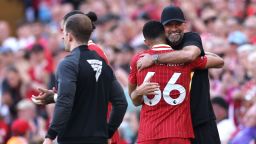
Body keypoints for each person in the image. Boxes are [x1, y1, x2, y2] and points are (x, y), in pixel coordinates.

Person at [32, 10, 125, 144]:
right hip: (99, 136)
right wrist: (55, 97)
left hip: (76, 136)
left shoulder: (70, 62)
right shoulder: (99, 59)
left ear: (69, 35)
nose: (62, 37)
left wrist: (50, 136)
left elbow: (67, 100)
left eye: (63, 31)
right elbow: (117, 101)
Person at [128, 20, 224, 144]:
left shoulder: (139, 59)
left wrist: (138, 92)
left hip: (148, 133)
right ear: (165, 35)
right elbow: (219, 61)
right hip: (178, 133)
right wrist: (196, 52)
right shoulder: (184, 58)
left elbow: (134, 100)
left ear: (146, 42)